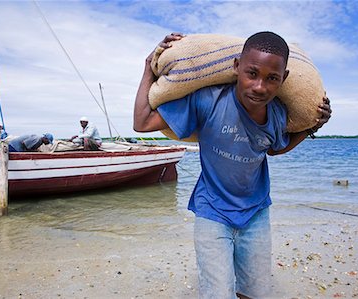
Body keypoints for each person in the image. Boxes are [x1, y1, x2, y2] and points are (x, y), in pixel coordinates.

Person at [133, 32, 332, 299]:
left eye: (272, 78)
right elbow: (142, 122)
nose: (260, 86)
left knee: (255, 292)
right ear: (237, 67)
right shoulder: (207, 101)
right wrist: (148, 67)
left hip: (256, 212)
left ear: (283, 79)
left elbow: (274, 149)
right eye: (252, 73)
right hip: (212, 211)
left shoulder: (276, 114)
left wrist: (311, 128)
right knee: (218, 293)